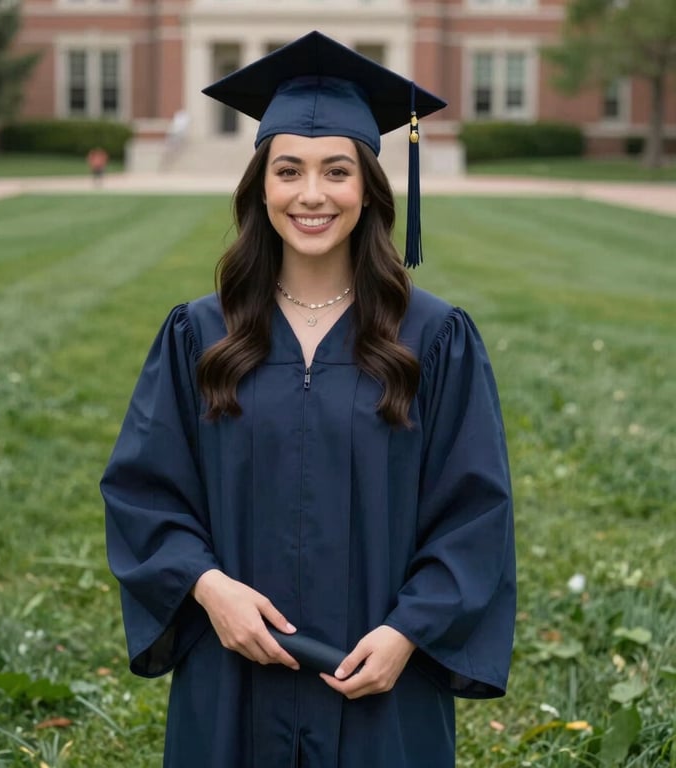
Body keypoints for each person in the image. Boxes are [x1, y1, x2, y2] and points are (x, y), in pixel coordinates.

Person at [101, 31, 516, 768]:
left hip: (381, 678)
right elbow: (144, 491)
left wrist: (408, 632)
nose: (312, 194)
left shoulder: (435, 338)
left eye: (337, 171)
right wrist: (207, 587)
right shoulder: (200, 334)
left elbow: (473, 510)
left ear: (370, 188)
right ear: (261, 186)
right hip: (234, 676)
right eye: (288, 170)